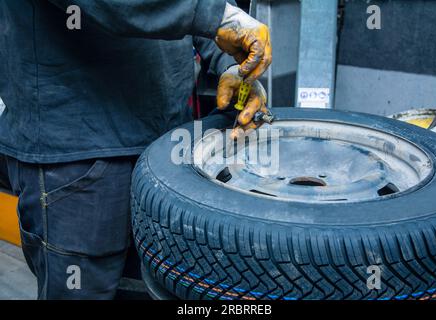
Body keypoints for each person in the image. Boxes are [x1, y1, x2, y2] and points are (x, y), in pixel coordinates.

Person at [0, 0, 271, 299]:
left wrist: (232, 64)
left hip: (168, 146)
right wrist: (216, 16)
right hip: (80, 155)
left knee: (157, 286)